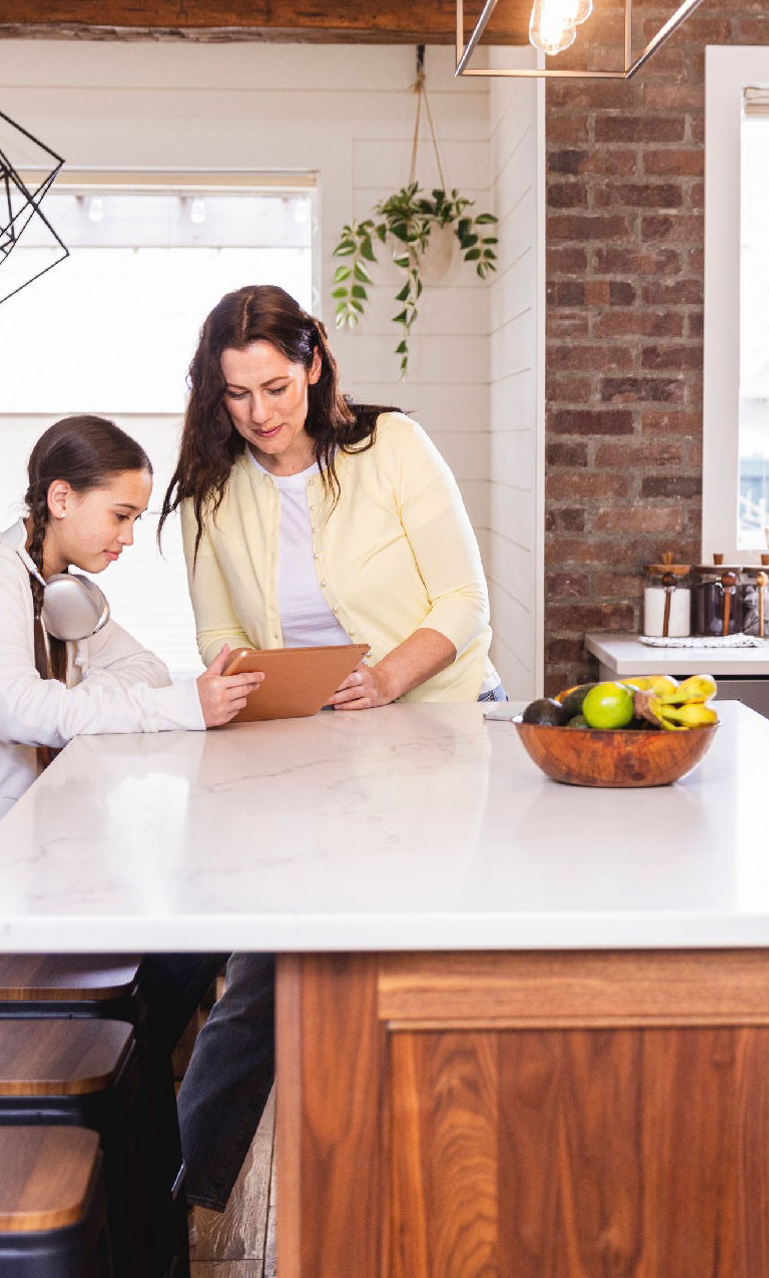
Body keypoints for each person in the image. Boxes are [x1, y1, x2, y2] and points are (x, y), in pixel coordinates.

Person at [0, 413, 261, 1277]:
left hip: (33, 850)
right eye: (119, 515)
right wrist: (177, 705)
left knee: (194, 936)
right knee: (183, 939)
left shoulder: (56, 586)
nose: (127, 535)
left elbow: (148, 673)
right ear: (59, 497)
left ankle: (127, 1145)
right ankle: (122, 1154)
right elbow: (21, 710)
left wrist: (148, 689)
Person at [157, 283, 498, 1219]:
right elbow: (217, 627)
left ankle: (437, 1177)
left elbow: (464, 604)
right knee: (269, 952)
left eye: (276, 387)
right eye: (237, 395)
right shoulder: (211, 489)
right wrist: (243, 672)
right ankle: (176, 1195)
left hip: (437, 727)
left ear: (313, 366)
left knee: (418, 954)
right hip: (305, 744)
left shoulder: (392, 449)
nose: (261, 414)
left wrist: (385, 679)